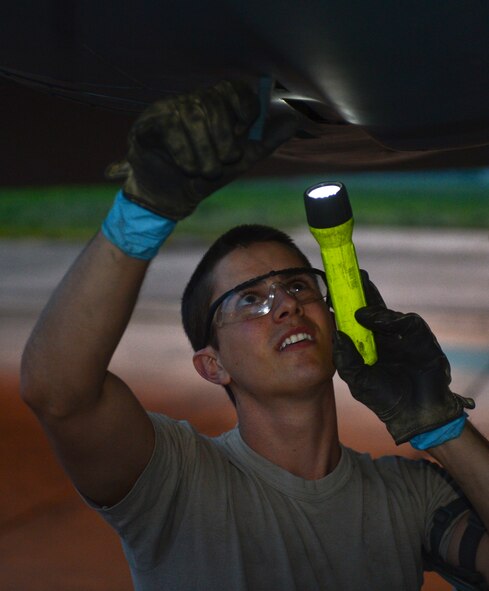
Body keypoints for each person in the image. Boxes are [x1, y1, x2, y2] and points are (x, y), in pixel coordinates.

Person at [20, 80, 489, 590]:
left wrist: (443, 427)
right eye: (250, 299)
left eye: (296, 285)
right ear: (211, 364)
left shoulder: (409, 497)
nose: (285, 303)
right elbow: (59, 393)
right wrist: (143, 211)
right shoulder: (178, 481)